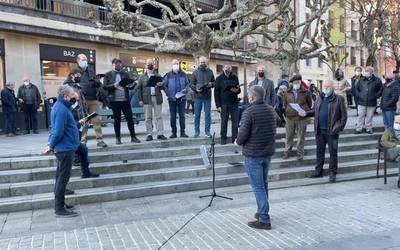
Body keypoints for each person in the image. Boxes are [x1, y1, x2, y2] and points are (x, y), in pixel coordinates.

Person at [235, 85, 276, 230]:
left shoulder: (249, 112)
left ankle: (264, 219)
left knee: (258, 187)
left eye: (248, 95)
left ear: (252, 97)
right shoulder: (271, 110)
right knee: (263, 185)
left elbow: (243, 134)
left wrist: (237, 142)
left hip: (253, 155)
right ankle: (261, 212)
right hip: (267, 153)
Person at [44, 85, 80, 217]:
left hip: (66, 147)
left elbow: (63, 127)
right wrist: (51, 145)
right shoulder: (61, 109)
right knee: (62, 178)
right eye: (72, 94)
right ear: (66, 96)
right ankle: (59, 208)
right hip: (65, 149)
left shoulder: (62, 107)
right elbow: (58, 131)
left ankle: (61, 204)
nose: (75, 96)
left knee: (61, 177)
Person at [308, 80, 347, 183]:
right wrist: (306, 113)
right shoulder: (319, 98)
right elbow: (315, 111)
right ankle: (318, 171)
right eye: (324, 86)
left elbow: (344, 116)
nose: (325, 88)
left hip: (332, 131)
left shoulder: (339, 99)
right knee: (319, 152)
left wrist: (338, 127)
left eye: (328, 86)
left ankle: (332, 173)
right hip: (319, 130)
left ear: (332, 87)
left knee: (333, 153)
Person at [70, 54, 107, 148]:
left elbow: (97, 86)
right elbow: (69, 83)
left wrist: (98, 82)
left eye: (86, 59)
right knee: (84, 121)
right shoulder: (74, 71)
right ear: (78, 61)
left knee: (96, 120)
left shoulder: (91, 70)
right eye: (83, 59)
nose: (85, 61)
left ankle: (100, 140)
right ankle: (83, 141)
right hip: (82, 100)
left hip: (93, 99)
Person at [103, 58, 141, 144]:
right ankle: (118, 138)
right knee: (117, 120)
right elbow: (104, 87)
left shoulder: (125, 74)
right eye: (117, 64)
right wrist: (114, 86)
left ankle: (133, 137)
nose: (119, 66)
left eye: (120, 64)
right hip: (114, 101)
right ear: (113, 65)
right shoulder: (108, 74)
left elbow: (129, 87)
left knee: (130, 119)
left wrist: (133, 84)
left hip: (125, 100)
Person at [282, 75, 313, 160]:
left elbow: (309, 104)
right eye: (295, 83)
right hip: (290, 118)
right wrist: (287, 112)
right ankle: (287, 152)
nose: (297, 84)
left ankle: (300, 153)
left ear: (300, 82)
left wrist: (304, 111)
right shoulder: (287, 93)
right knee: (289, 136)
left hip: (301, 118)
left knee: (301, 136)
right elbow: (285, 104)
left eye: (298, 82)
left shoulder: (306, 92)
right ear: (292, 83)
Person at [138, 59, 167, 141]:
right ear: (146, 66)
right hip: (147, 98)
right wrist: (140, 99)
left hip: (157, 97)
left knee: (158, 116)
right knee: (148, 117)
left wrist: (161, 85)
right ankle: (149, 134)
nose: (150, 65)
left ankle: (160, 134)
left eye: (151, 64)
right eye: (148, 64)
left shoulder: (158, 76)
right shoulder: (142, 77)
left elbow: (163, 87)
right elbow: (138, 89)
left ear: (154, 66)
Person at [214, 64, 241, 145]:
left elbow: (239, 90)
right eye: (226, 67)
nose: (227, 69)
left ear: (231, 69)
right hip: (223, 104)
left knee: (235, 122)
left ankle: (235, 138)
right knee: (224, 122)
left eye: (229, 68)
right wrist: (218, 106)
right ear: (223, 69)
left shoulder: (235, 77)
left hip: (234, 103)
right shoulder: (219, 78)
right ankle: (223, 138)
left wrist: (236, 90)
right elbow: (216, 93)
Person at [163, 59, 189, 138]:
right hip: (172, 99)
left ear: (179, 65)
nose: (176, 65)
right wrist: (168, 94)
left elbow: (188, 84)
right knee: (173, 116)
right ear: (172, 65)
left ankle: (182, 132)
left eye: (177, 64)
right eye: (174, 64)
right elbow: (164, 86)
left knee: (182, 116)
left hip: (182, 98)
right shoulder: (168, 75)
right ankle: (174, 133)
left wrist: (186, 89)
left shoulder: (183, 74)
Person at [190, 56, 215, 138]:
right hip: (198, 97)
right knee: (197, 115)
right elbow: (191, 84)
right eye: (201, 62)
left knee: (208, 115)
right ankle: (196, 132)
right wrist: (196, 89)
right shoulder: (195, 72)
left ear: (206, 63)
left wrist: (212, 84)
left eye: (204, 62)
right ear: (198, 63)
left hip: (207, 97)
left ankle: (207, 131)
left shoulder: (210, 72)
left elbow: (214, 82)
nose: (202, 64)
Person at [354, 66, 383, 134]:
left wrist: (376, 96)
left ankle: (369, 128)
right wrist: (359, 95)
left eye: (367, 71)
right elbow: (356, 89)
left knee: (369, 116)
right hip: (361, 102)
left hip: (371, 102)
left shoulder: (377, 80)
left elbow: (381, 89)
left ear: (372, 72)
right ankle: (359, 129)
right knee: (360, 116)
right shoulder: (361, 80)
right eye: (365, 71)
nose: (366, 72)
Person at [380, 116, 400, 189]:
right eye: (397, 122)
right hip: (390, 152)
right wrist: (395, 145)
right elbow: (383, 142)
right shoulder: (389, 130)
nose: (398, 123)